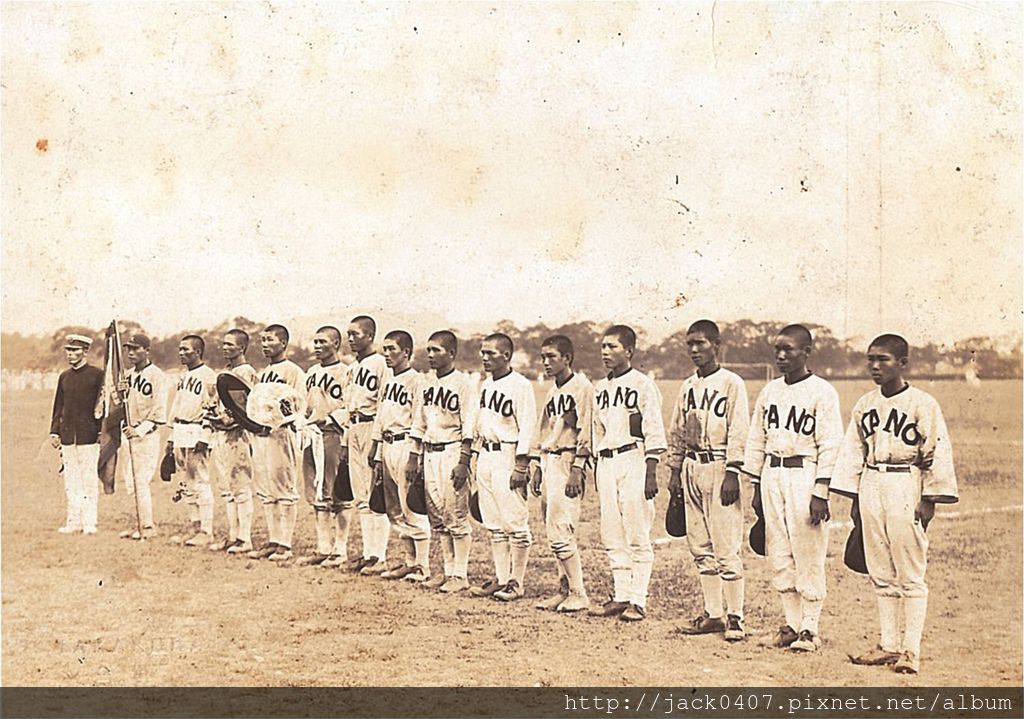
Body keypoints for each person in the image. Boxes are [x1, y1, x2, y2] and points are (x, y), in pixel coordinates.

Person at [831, 334, 958, 675]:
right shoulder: (864, 404)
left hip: (907, 480)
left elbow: (935, 451)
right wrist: (855, 497)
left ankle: (910, 651)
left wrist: (930, 498)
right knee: (881, 570)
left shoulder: (922, 403)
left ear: (903, 363)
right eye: (871, 359)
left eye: (883, 359)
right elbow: (854, 451)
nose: (875, 365)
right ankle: (889, 646)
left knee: (911, 573)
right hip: (872, 480)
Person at [741, 324, 843, 652]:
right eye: (778, 350)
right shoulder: (770, 390)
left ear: (806, 352)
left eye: (790, 350)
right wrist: (755, 485)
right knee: (779, 552)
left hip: (804, 473)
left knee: (808, 551)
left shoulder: (822, 391)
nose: (782, 356)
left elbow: (830, 445)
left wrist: (821, 491)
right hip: (772, 472)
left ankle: (810, 628)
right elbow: (757, 440)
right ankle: (791, 625)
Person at [668, 320, 750, 641]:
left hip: (718, 465)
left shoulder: (732, 383)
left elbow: (738, 429)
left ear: (717, 346)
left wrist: (733, 471)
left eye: (700, 343)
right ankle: (713, 614)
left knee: (726, 546)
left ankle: (736, 618)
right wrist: (674, 471)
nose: (694, 349)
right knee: (700, 545)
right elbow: (676, 430)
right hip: (691, 464)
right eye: (689, 343)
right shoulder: (687, 386)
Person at [588, 325, 667, 622]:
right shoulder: (600, 388)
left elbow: (653, 430)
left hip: (633, 457)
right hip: (607, 461)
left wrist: (651, 470)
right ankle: (621, 595)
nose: (605, 352)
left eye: (612, 347)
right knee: (612, 532)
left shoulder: (643, 384)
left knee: (637, 531)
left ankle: (639, 599)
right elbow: (598, 431)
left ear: (629, 351)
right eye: (603, 347)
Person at [406, 331, 478, 590]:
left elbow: (469, 424)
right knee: (437, 517)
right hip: (429, 451)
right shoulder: (426, 383)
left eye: (436, 350)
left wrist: (464, 461)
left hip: (452, 450)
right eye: (429, 350)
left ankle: (460, 575)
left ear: (451, 354)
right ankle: (448, 572)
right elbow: (419, 422)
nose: (430, 355)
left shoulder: (464, 384)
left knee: (456, 515)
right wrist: (414, 457)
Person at [470, 333, 537, 602]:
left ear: (506, 355)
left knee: (515, 522)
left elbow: (528, 425)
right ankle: (500, 579)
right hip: (486, 454)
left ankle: (516, 582)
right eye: (483, 352)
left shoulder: (520, 385)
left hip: (509, 454)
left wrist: (521, 464)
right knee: (494, 523)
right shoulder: (486, 384)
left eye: (491, 353)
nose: (485, 358)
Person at [528, 335, 593, 613]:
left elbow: (587, 429)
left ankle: (579, 593)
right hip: (549, 460)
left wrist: (577, 468)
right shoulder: (554, 390)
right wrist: (537, 467)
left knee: (561, 529)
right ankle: (563, 589)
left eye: (552, 357)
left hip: (567, 460)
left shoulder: (581, 387)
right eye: (543, 357)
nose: (546, 362)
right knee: (552, 526)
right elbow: (545, 430)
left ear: (567, 358)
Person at [369, 330, 430, 579]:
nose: (387, 354)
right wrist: (376, 448)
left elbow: (419, 419)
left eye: (392, 349)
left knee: (411, 506)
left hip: (406, 443)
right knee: (394, 508)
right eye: (384, 349)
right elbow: (381, 417)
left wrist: (415, 455)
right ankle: (409, 561)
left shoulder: (417, 380)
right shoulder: (388, 380)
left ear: (406, 352)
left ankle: (422, 565)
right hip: (388, 444)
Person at [248, 324, 306, 562]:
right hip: (263, 435)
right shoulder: (265, 372)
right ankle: (273, 540)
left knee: (285, 489)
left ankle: (285, 544)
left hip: (282, 434)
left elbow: (299, 405)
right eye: (262, 340)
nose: (264, 344)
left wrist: (281, 421)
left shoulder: (293, 371)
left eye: (270, 340)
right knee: (266, 490)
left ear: (283, 343)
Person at [297, 326, 350, 566]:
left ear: (336, 344)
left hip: (333, 434)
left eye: (323, 342)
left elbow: (349, 406)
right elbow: (306, 405)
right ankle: (323, 547)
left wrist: (329, 419)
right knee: (316, 492)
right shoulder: (311, 372)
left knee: (336, 492)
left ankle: (340, 549)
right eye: (315, 341)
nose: (317, 346)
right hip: (312, 435)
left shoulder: (346, 372)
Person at [341, 316, 390, 574]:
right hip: (354, 427)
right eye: (348, 334)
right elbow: (348, 407)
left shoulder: (382, 364)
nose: (351, 339)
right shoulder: (352, 367)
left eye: (356, 334)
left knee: (374, 494)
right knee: (360, 495)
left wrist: (378, 443)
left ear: (370, 336)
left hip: (372, 426)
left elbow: (385, 405)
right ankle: (368, 553)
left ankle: (378, 556)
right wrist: (345, 441)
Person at [206, 329, 258, 554]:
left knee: (241, 487)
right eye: (224, 344)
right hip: (221, 435)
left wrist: (230, 421)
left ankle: (244, 538)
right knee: (226, 488)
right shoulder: (226, 371)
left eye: (230, 345)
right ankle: (232, 535)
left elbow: (248, 408)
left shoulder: (246, 372)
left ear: (242, 348)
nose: (225, 348)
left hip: (238, 435)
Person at [49, 333, 104, 535]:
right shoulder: (64, 377)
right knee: (71, 481)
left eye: (75, 350)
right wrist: (54, 431)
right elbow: (58, 407)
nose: (71, 354)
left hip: (89, 436)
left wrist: (101, 431)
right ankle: (73, 521)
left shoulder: (98, 375)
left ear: (85, 351)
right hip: (67, 436)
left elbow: (102, 407)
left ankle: (89, 522)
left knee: (88, 479)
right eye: (68, 350)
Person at [166, 335, 218, 546]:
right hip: (181, 430)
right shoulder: (183, 376)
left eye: (186, 349)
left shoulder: (208, 376)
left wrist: (205, 437)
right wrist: (170, 439)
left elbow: (213, 408)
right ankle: (194, 527)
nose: (181, 353)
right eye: (180, 349)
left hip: (197, 430)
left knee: (200, 481)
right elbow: (178, 406)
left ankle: (207, 531)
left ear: (198, 352)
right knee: (187, 483)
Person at [117, 334, 167, 540]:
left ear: (147, 350)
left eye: (136, 349)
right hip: (128, 433)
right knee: (130, 481)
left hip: (146, 435)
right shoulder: (127, 375)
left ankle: (147, 526)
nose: (130, 353)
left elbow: (159, 411)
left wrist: (140, 430)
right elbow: (122, 405)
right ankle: (137, 523)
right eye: (128, 349)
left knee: (141, 481)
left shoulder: (157, 375)